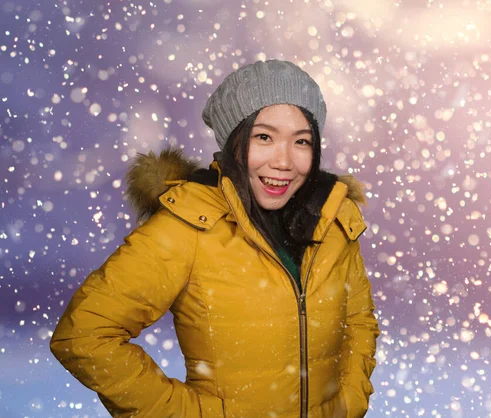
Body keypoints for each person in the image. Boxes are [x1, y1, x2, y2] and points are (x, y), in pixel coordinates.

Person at [50, 59, 380, 418]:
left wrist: (348, 400)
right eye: (264, 137)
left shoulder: (331, 219)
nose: (284, 161)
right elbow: (84, 336)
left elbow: (359, 320)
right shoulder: (189, 223)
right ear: (234, 142)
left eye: (301, 141)